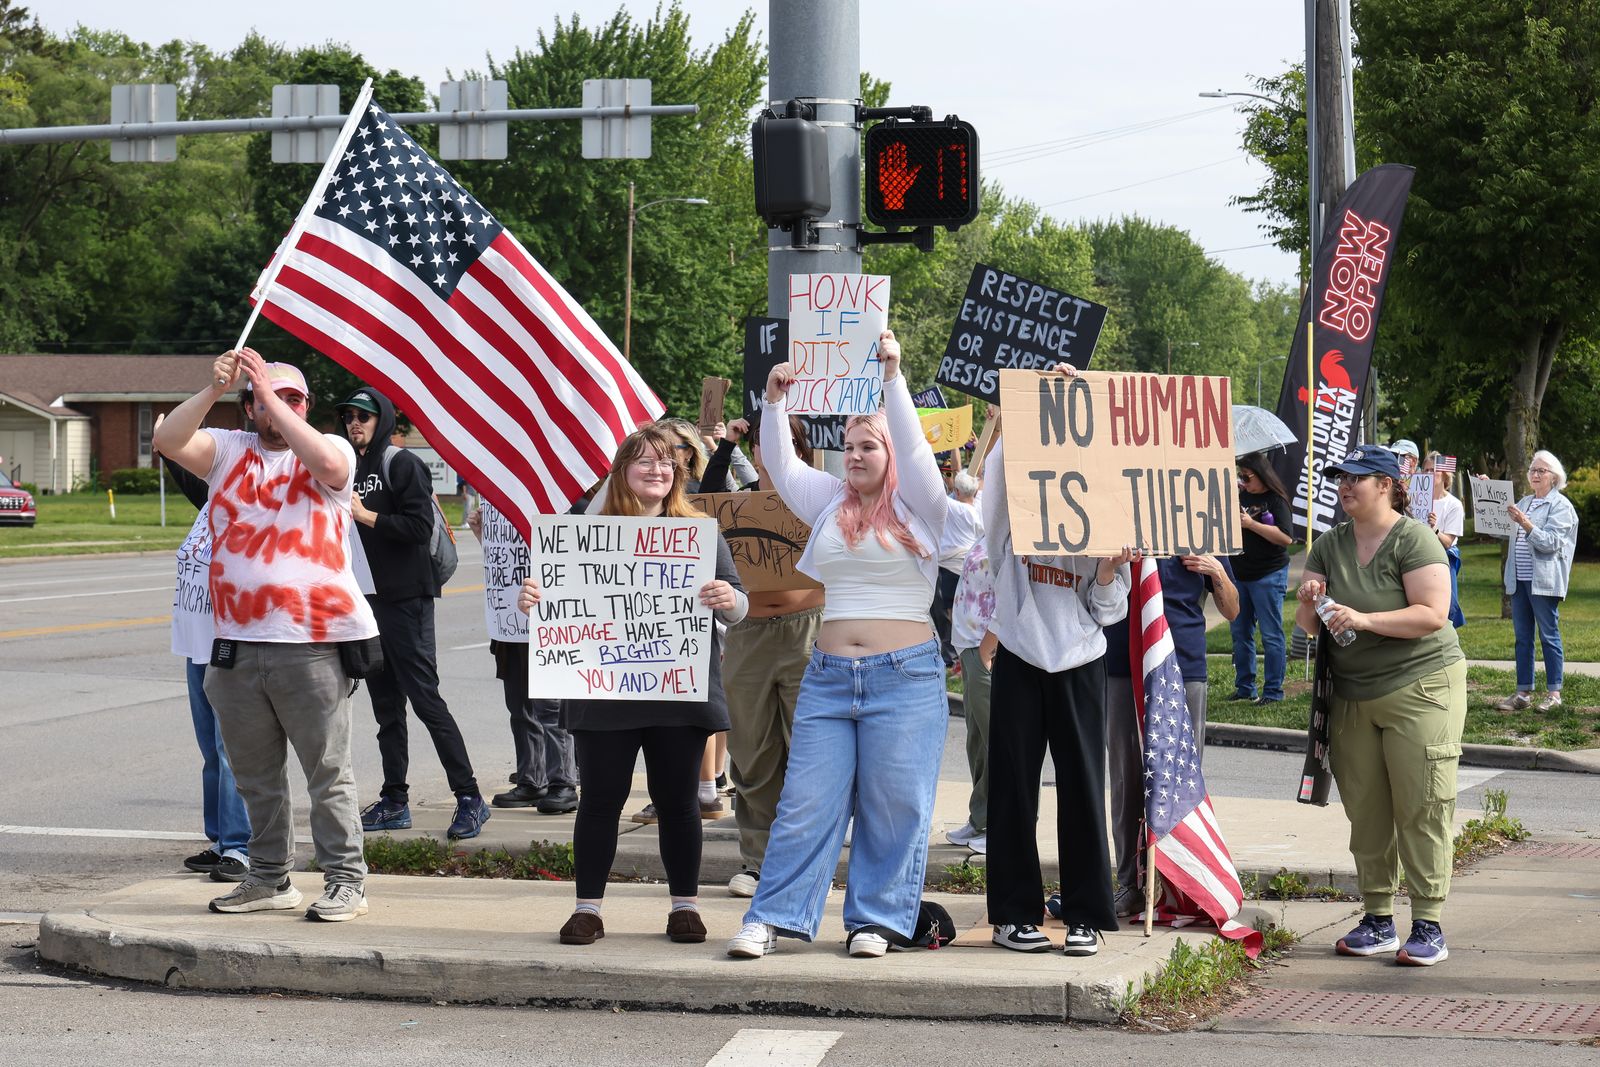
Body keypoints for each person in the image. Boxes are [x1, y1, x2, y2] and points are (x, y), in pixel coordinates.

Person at [726, 329, 949, 960]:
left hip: (904, 679)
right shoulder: (829, 501)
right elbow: (784, 469)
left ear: (890, 452)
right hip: (826, 675)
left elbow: (915, 449)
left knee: (895, 805)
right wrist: (774, 404)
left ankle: (875, 921)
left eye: (867, 446)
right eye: (848, 446)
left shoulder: (922, 504)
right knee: (804, 803)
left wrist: (892, 376)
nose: (853, 456)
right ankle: (772, 917)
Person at [153, 349, 377, 922]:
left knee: (327, 772)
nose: (280, 407)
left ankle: (346, 880)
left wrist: (271, 398)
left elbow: (327, 466)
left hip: (313, 642)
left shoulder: (331, 448)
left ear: (305, 405)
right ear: (247, 408)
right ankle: (270, 876)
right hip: (236, 642)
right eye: (264, 399)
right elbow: (169, 440)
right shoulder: (228, 449)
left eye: (293, 398)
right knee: (255, 775)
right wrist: (213, 390)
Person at [518, 423, 747, 946]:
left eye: (667, 462)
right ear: (621, 471)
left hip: (677, 689)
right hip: (604, 690)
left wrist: (729, 600)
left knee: (679, 802)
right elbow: (556, 607)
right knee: (600, 800)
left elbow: (739, 606)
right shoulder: (582, 534)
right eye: (644, 460)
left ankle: (685, 907)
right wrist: (531, 600)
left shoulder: (698, 534)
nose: (657, 470)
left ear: (679, 473)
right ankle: (587, 910)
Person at [1295, 443, 1466, 967]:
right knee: (1366, 809)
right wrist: (1310, 600)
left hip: (1422, 685)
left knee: (1421, 804)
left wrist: (1365, 619)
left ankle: (1429, 923)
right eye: (1341, 478)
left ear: (1387, 485)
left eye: (1357, 478)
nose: (1345, 486)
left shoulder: (1413, 539)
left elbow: (1433, 614)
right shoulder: (1329, 543)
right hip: (1352, 694)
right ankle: (1377, 919)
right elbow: (1308, 629)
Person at [979, 375, 1132, 958]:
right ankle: (1013, 913)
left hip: (1081, 661)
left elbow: (1107, 613)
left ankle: (1085, 914)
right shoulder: (1014, 503)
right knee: (1013, 791)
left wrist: (1106, 570)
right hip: (1021, 655)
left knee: (1083, 788)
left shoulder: (1108, 503)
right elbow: (995, 486)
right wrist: (1025, 405)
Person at [337, 387, 489, 841]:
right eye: (349, 416)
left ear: (381, 419)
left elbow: (421, 527)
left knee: (426, 700)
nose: (355, 423)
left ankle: (470, 798)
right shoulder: (350, 469)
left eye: (364, 416)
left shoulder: (401, 464)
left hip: (407, 600)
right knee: (386, 709)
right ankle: (394, 801)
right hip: (368, 603)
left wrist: (367, 516)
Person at [703, 410, 826, 897]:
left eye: (783, 439)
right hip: (749, 632)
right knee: (752, 753)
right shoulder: (745, 501)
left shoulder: (819, 498)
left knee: (809, 753)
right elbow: (704, 504)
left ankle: (806, 862)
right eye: (762, 440)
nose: (771, 448)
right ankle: (758, 861)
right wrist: (727, 445)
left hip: (807, 630)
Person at [1104, 553, 1238, 917]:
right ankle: (1130, 884)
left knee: (1180, 781)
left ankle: (1182, 887)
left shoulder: (1197, 528)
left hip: (1184, 664)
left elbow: (1232, 610)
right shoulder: (1115, 524)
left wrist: (1216, 572)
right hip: (1121, 662)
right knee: (1126, 778)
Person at [158, 424, 252, 885]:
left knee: (230, 749)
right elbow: (179, 459)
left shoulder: (248, 511)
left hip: (227, 645)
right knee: (210, 752)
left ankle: (241, 846)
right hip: (195, 646)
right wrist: (168, 441)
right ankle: (219, 839)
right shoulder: (208, 504)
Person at [467, 496, 579, 815]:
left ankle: (563, 783)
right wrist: (484, 535)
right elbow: (506, 560)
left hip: (544, 619)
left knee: (550, 707)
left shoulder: (554, 500)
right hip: (508, 622)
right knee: (519, 706)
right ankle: (532, 779)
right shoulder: (500, 500)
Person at [1493, 450, 1579, 712]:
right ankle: (1523, 693)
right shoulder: (1525, 501)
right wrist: (1489, 492)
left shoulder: (1561, 506)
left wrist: (1526, 523)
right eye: (1533, 470)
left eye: (1541, 470)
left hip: (1543, 581)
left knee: (1548, 635)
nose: (1535, 474)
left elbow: (1551, 543)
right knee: (1522, 637)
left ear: (1554, 477)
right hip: (1519, 579)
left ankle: (1554, 694)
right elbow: (1501, 527)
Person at [944, 536, 997, 855]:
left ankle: (1003, 826)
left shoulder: (1012, 531)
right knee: (977, 742)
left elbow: (1011, 593)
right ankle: (980, 818)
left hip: (985, 646)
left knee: (998, 743)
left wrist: (989, 646)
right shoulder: (986, 527)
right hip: (970, 645)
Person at [1230, 452, 1295, 705]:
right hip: (1240, 574)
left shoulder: (1276, 500)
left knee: (1270, 634)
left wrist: (1251, 524)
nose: (1244, 482)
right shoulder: (1240, 497)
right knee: (1240, 633)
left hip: (1269, 574)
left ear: (1261, 475)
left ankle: (1273, 691)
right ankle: (1245, 687)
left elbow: (1286, 538)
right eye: (1241, 477)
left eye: (1247, 477)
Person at [932, 470, 983, 667]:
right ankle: (965, 656)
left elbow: (936, 495)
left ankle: (960, 658)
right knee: (968, 612)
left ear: (958, 492)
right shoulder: (977, 508)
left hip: (951, 568)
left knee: (953, 615)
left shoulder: (956, 507)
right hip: (970, 567)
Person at [1424, 463, 1466, 629]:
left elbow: (1448, 542)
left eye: (1434, 470)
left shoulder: (1453, 504)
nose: (1429, 473)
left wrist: (1434, 529)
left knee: (1446, 606)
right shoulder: (1415, 501)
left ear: (1445, 475)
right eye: (1426, 469)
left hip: (1443, 559)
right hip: (1418, 556)